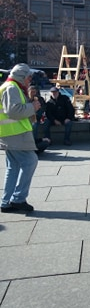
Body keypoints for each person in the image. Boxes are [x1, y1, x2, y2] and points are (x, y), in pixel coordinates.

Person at [0, 64, 41, 212]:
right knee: (30, 161)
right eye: (28, 77)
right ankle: (18, 199)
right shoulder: (12, 88)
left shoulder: (9, 86)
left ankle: (6, 202)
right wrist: (33, 107)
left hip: (10, 134)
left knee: (13, 167)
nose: (30, 80)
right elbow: (14, 111)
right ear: (21, 77)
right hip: (15, 134)